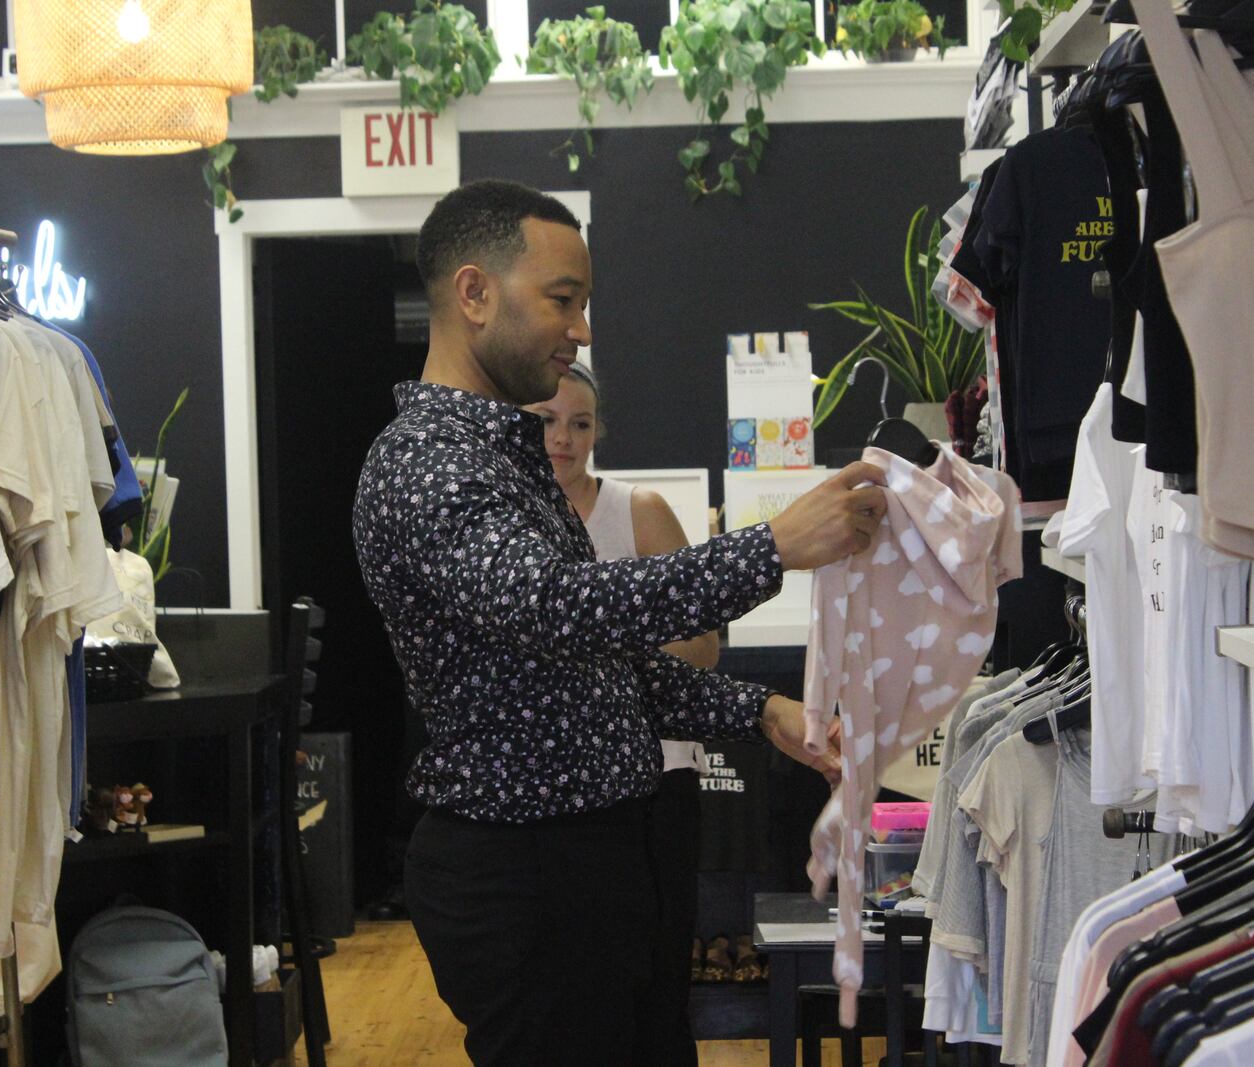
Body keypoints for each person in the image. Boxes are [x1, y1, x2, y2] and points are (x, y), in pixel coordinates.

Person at [352, 179, 886, 1067]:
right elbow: (556, 612)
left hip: (589, 863)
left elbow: (593, 668)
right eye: (563, 300)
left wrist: (758, 711)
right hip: (525, 875)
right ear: (475, 293)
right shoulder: (426, 463)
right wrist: (774, 548)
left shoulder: (499, 458)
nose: (583, 329)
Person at [526, 362, 716, 1067]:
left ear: (599, 430)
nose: (563, 439)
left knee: (660, 975)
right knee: (574, 986)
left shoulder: (639, 511)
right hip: (555, 791)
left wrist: (610, 644)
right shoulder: (508, 527)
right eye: (549, 420)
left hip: (657, 774)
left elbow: (703, 645)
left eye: (580, 423)